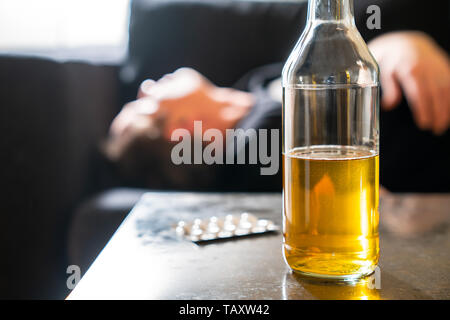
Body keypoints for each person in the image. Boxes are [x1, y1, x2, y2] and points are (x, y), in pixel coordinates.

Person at [105, 31, 450, 192]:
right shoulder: (259, 153)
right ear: (179, 132)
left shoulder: (254, 89)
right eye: (142, 105)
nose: (145, 85)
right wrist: (389, 47)